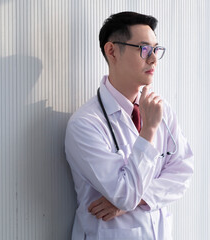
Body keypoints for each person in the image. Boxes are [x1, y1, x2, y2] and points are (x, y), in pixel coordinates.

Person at [65, 11, 194, 240]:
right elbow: (124, 194)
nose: (153, 58)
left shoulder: (161, 110)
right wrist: (148, 131)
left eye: (156, 49)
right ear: (112, 51)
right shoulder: (85, 125)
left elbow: (182, 173)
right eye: (144, 49)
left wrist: (136, 201)